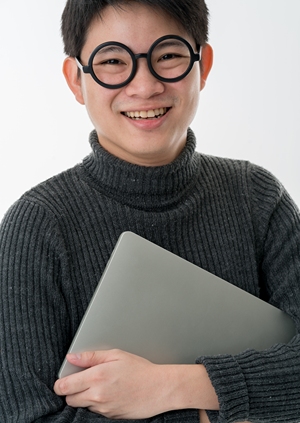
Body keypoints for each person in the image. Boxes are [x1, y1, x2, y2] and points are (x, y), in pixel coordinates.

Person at [0, 0, 300, 422]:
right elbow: (26, 416)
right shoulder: (36, 226)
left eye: (169, 56)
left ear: (203, 65)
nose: (144, 86)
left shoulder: (258, 198)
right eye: (113, 62)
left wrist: (169, 387)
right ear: (75, 80)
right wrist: (223, 409)